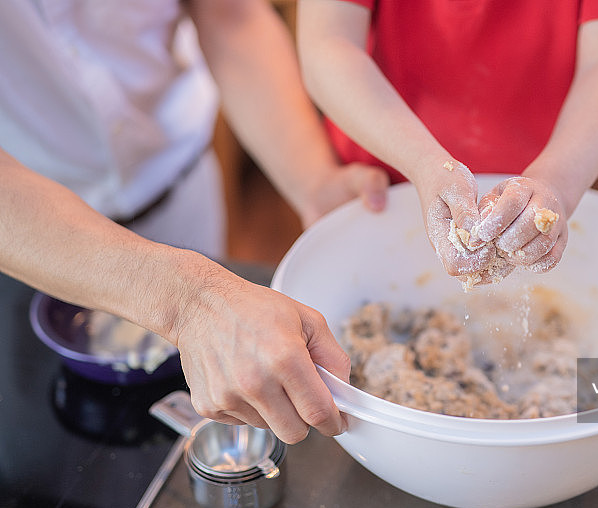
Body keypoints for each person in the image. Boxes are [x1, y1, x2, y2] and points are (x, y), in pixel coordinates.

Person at [0, 0, 390, 444]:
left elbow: (230, 15)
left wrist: (312, 178)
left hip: (182, 189)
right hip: (26, 244)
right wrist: (187, 299)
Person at [296, 0, 598, 285]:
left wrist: (557, 185)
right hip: (386, 171)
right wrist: (425, 164)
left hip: (549, 172)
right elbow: (329, 42)